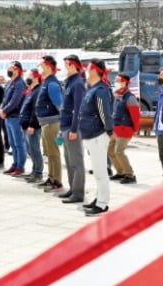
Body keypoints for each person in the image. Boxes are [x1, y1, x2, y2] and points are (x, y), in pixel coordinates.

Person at [79, 59, 114, 216]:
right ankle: (98, 197)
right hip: (90, 135)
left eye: (88, 68)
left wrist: (108, 131)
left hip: (98, 135)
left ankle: (102, 203)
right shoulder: (92, 88)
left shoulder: (100, 90)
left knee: (100, 171)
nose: (86, 70)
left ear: (94, 70)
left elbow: (104, 114)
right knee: (97, 171)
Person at [58, 54, 86, 203]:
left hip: (72, 127)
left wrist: (74, 129)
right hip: (65, 126)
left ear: (73, 65)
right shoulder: (68, 83)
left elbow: (78, 109)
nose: (65, 68)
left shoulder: (78, 84)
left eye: (66, 65)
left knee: (76, 162)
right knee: (69, 162)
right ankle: (72, 188)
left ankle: (78, 193)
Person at [35, 55, 64, 192]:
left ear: (48, 67)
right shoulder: (46, 82)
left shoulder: (52, 84)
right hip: (46, 123)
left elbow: (59, 104)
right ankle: (51, 177)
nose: (40, 68)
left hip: (52, 123)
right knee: (49, 153)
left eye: (42, 66)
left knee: (54, 153)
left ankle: (57, 181)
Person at [109, 72, 141, 184]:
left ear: (124, 83)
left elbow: (136, 116)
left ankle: (130, 175)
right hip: (116, 129)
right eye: (115, 81)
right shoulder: (118, 96)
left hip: (125, 129)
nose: (116, 83)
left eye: (118, 81)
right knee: (110, 151)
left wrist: (135, 129)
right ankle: (120, 172)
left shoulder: (130, 98)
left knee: (119, 152)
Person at [0, 61, 27, 176]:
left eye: (12, 68)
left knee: (18, 143)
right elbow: (5, 98)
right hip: (8, 117)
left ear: (18, 70)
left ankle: (20, 166)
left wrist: (4, 111)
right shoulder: (11, 82)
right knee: (12, 143)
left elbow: (15, 101)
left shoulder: (20, 83)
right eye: (9, 68)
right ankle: (15, 164)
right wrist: (1, 109)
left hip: (15, 116)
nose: (9, 70)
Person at [19, 69, 44, 183]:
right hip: (26, 126)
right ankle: (34, 170)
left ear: (35, 77)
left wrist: (32, 125)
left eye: (30, 76)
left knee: (35, 149)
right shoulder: (31, 91)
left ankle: (38, 172)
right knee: (30, 149)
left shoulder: (38, 91)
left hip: (32, 126)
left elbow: (36, 110)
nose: (27, 78)